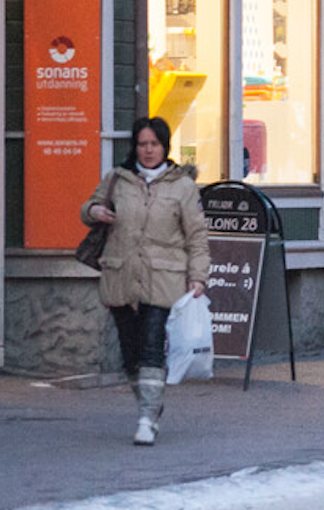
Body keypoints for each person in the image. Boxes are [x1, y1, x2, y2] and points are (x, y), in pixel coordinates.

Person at [81, 117, 209, 446]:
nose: (148, 150)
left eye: (154, 144)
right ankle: (148, 402)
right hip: (121, 274)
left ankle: (147, 418)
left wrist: (198, 277)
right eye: (142, 144)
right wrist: (94, 212)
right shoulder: (118, 178)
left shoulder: (182, 186)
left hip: (164, 277)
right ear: (134, 147)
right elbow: (88, 207)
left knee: (152, 343)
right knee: (130, 351)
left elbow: (197, 236)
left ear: (165, 147)